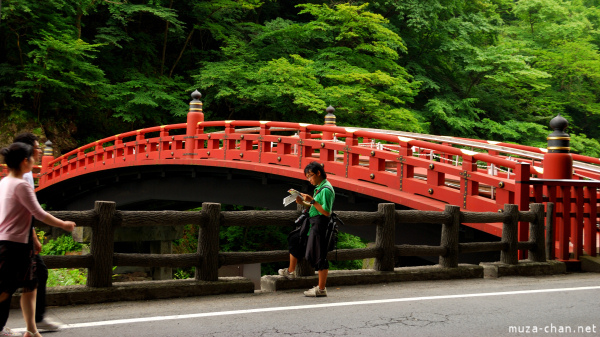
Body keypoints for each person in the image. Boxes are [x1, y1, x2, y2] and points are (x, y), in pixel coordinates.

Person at [0, 143, 76, 337]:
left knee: (30, 285)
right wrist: (64, 225)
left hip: (12, 242)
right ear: (26, 161)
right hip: (15, 245)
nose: (35, 160)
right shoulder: (21, 185)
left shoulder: (4, 182)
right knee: (6, 289)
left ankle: (32, 329)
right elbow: (39, 213)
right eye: (33, 158)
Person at [12, 133, 60, 331]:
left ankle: (37, 320)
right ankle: (37, 321)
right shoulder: (23, 175)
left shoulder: (23, 172)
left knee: (34, 273)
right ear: (28, 151)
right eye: (37, 147)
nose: (40, 151)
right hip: (15, 235)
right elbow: (29, 211)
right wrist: (34, 237)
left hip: (16, 234)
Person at [278, 161, 335, 297]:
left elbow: (326, 212)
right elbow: (316, 206)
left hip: (320, 226)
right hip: (312, 224)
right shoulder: (320, 187)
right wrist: (303, 202)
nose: (309, 180)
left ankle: (321, 289)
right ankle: (291, 271)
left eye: (310, 176)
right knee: (295, 239)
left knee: (319, 255)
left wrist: (312, 201)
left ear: (318, 173)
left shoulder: (326, 189)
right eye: (307, 177)